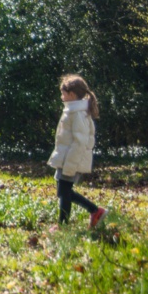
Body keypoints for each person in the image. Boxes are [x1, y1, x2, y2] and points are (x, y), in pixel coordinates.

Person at [48, 75, 106, 227]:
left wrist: (70, 165)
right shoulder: (73, 111)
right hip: (66, 158)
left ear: (72, 95)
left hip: (71, 160)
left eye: (63, 93)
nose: (61, 97)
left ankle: (91, 212)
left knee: (64, 193)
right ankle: (92, 212)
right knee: (64, 192)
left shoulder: (77, 113)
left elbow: (79, 142)